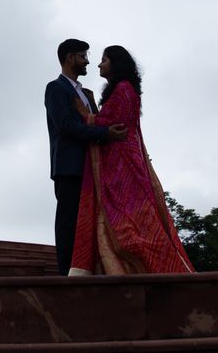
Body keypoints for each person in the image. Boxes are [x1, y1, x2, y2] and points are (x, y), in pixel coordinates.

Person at [68, 45, 194, 275]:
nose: (98, 64)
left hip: (122, 165)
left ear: (116, 63)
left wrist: (85, 115)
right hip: (121, 162)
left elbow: (113, 124)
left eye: (104, 60)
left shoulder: (124, 89)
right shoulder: (122, 90)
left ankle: (145, 269)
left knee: (129, 225)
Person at [45, 38, 127, 276]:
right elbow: (65, 126)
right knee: (69, 222)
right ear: (70, 57)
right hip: (69, 168)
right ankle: (66, 276)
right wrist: (105, 134)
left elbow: (96, 122)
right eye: (83, 56)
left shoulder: (87, 95)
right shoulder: (55, 88)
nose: (88, 62)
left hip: (93, 168)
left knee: (91, 224)